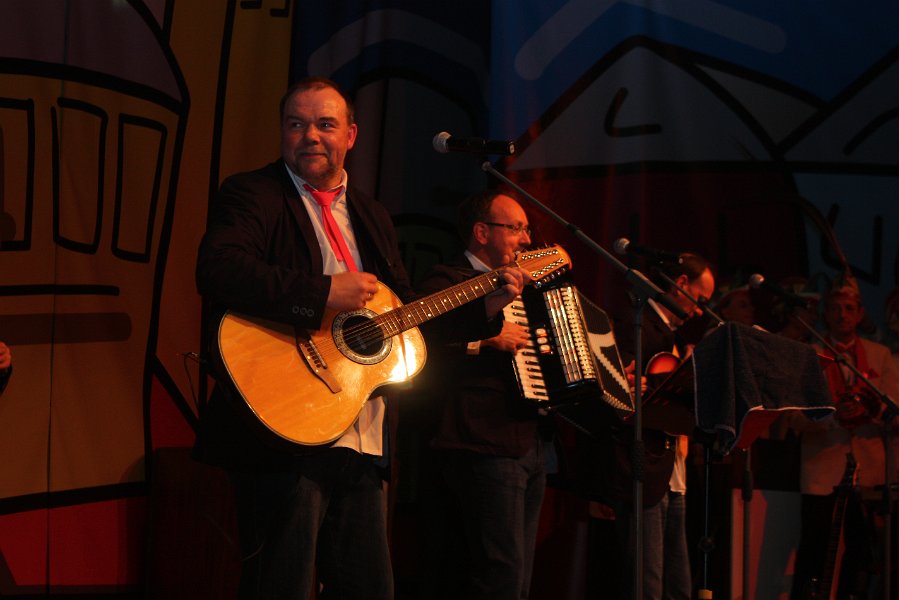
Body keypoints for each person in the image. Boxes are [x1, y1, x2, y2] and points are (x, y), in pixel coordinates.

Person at [194, 77, 527, 600]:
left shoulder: (370, 214)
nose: (311, 135)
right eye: (296, 124)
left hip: (360, 428)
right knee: (282, 583)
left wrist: (485, 306)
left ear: (351, 136)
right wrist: (323, 291)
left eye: (325, 124)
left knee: (370, 588)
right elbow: (218, 270)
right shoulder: (253, 193)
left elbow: (407, 315)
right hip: (283, 426)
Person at [415, 189, 544, 600]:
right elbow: (423, 346)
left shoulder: (524, 285)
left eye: (527, 229)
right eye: (516, 228)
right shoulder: (446, 280)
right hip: (479, 438)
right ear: (482, 232)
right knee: (498, 571)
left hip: (528, 440)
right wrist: (485, 341)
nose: (526, 239)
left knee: (519, 574)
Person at [584, 252, 715, 600]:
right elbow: (622, 388)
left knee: (677, 579)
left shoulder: (670, 334)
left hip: (669, 464)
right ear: (680, 284)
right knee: (648, 580)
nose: (700, 311)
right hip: (641, 464)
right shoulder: (635, 322)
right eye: (700, 299)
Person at [789, 271, 899, 599]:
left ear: (861, 313)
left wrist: (869, 409)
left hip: (870, 472)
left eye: (850, 308)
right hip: (822, 470)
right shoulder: (808, 353)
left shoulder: (880, 354)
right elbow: (793, 416)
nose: (842, 315)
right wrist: (833, 416)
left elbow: (895, 411)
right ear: (825, 312)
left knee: (863, 554)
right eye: (835, 308)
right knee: (814, 551)